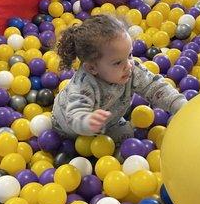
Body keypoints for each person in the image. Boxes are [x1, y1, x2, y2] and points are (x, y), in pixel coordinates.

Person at [52, 14, 187, 143]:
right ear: (93, 68)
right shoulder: (84, 86)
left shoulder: (131, 70)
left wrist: (179, 105)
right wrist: (88, 122)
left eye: (129, 55)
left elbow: (154, 87)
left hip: (109, 121)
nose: (128, 65)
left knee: (128, 135)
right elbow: (74, 114)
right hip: (66, 127)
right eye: (117, 63)